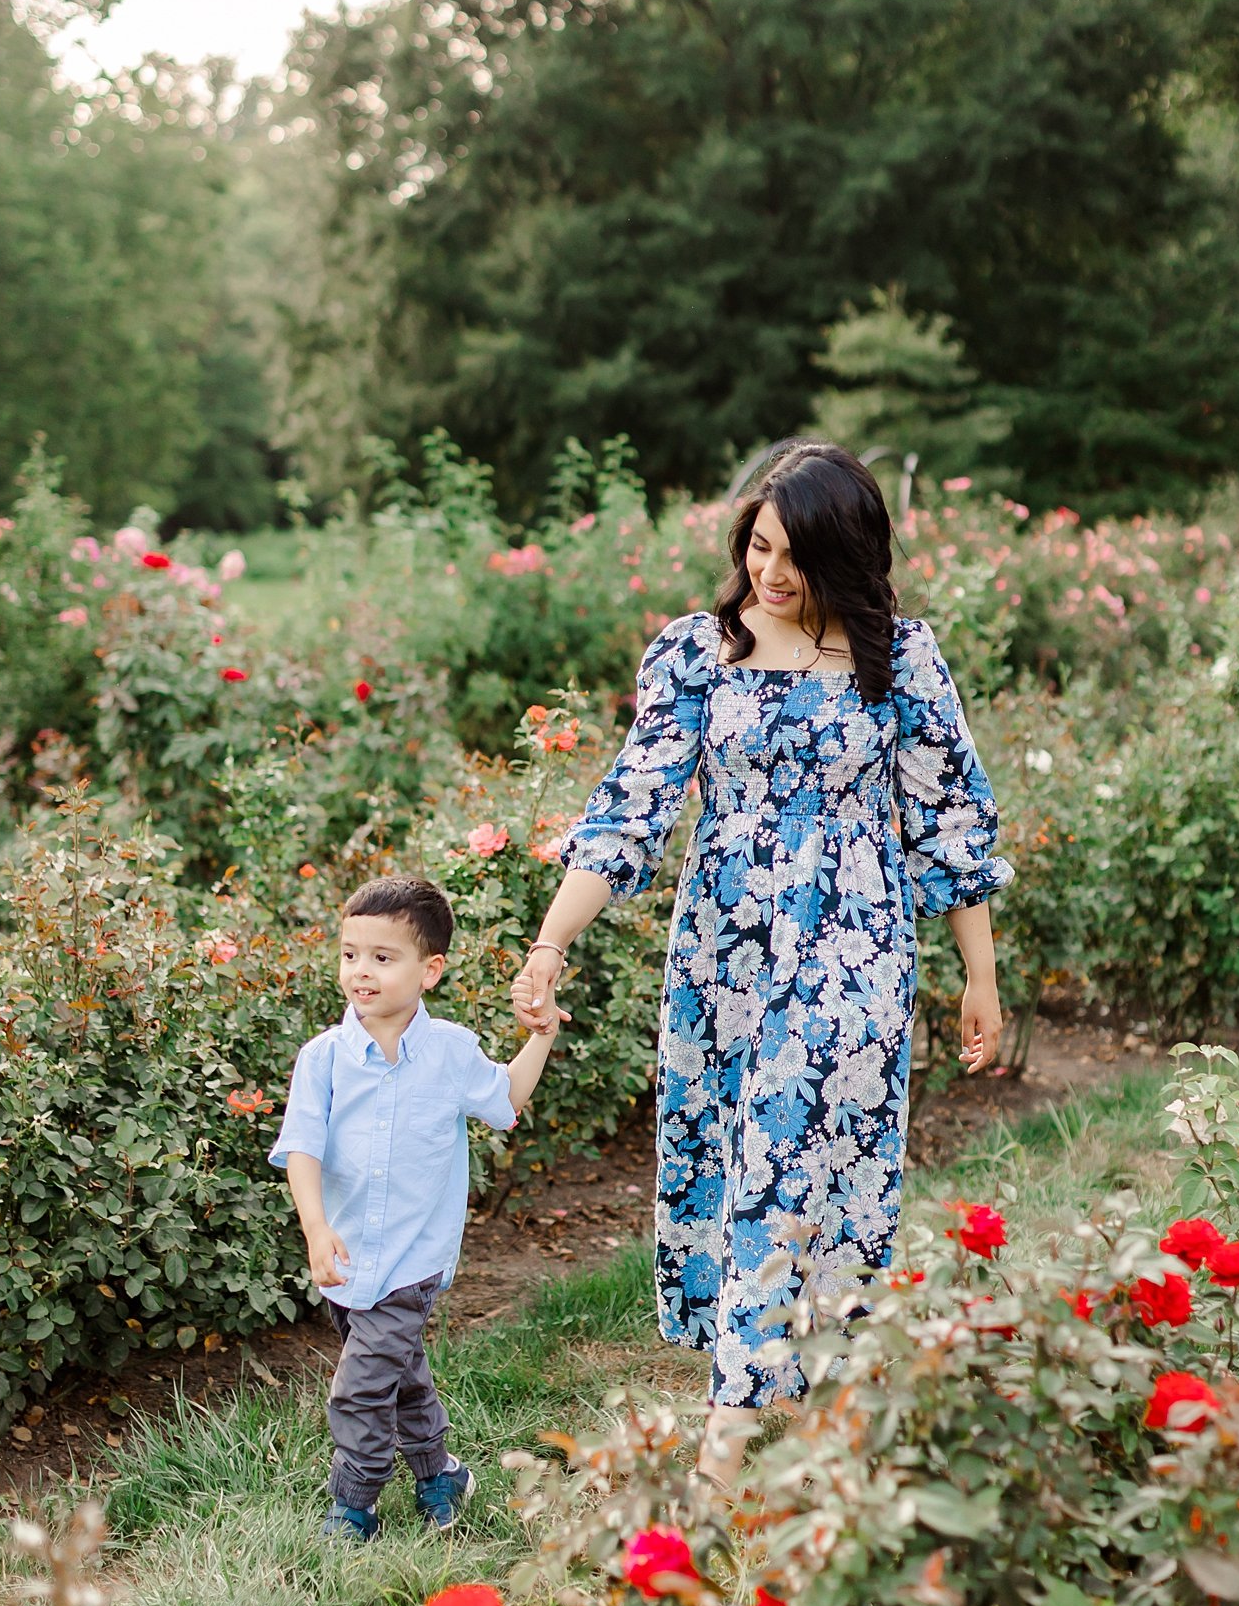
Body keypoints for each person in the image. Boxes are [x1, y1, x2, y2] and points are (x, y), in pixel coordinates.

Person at [512, 441, 1012, 1492]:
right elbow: (630, 809)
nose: (771, 574)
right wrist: (551, 944)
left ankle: (729, 1436)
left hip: (854, 940)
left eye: (794, 556)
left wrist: (980, 976)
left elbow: (950, 821)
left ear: (848, 555)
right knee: (748, 1158)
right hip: (723, 953)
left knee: (795, 1155)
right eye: (758, 546)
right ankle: (806, 1380)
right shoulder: (699, 652)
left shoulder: (900, 658)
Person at [270, 874, 558, 1542]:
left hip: (413, 1259)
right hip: (345, 1258)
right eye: (349, 954)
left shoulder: (450, 1051)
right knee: (399, 1376)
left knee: (362, 1388)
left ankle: (355, 1507)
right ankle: (439, 1474)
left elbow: (505, 1101)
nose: (359, 972)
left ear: (430, 970)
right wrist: (315, 1227)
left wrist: (539, 1034)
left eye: (381, 956)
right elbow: (303, 1149)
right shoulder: (324, 1060)